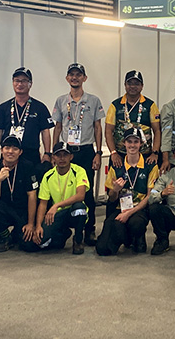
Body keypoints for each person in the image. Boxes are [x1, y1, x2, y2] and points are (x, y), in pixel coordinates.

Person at [51, 62, 105, 246]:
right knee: (64, 190)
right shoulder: (60, 101)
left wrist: (98, 153)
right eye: (71, 75)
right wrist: (52, 153)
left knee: (87, 193)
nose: (75, 78)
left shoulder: (93, 100)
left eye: (78, 75)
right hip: (65, 152)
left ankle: (89, 230)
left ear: (84, 78)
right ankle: (63, 226)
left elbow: (98, 127)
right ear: (67, 78)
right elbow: (57, 127)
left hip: (86, 151)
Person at [96, 128, 159, 256]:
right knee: (102, 249)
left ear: (141, 143)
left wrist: (128, 213)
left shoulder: (150, 166)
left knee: (135, 223)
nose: (132, 145)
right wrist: (115, 190)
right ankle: (127, 239)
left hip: (139, 209)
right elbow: (111, 198)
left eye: (136, 142)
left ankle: (138, 237)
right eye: (129, 141)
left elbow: (149, 196)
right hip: (120, 208)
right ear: (124, 143)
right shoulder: (117, 165)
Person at [0, 67, 55, 176]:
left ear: (30, 84)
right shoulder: (3, 107)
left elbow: (45, 132)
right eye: (17, 80)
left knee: (32, 187)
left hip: (31, 154)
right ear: (13, 83)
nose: (20, 84)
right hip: (9, 155)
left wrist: (47, 153)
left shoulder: (39, 107)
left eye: (24, 81)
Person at [0, 134, 40, 252]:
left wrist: (31, 224)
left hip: (22, 210)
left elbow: (32, 195)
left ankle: (16, 233)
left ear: (20, 152)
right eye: (7, 148)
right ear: (1, 150)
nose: (10, 151)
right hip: (4, 209)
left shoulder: (27, 166)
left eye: (15, 149)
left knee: (28, 245)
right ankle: (5, 236)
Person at [33, 141, 90, 254]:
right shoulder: (48, 176)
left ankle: (78, 240)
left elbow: (80, 195)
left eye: (65, 155)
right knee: (41, 243)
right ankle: (63, 234)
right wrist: (38, 225)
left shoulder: (79, 171)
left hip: (72, 211)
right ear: (53, 157)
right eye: (58, 155)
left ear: (71, 157)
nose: (62, 158)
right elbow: (43, 203)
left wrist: (57, 205)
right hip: (56, 215)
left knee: (79, 208)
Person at [105, 70, 161, 169]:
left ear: (142, 86)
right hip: (120, 156)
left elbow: (157, 131)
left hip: (145, 155)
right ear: (125, 85)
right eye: (129, 83)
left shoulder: (150, 105)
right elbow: (108, 131)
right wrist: (113, 153)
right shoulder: (115, 105)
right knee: (117, 183)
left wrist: (155, 153)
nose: (133, 86)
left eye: (136, 84)